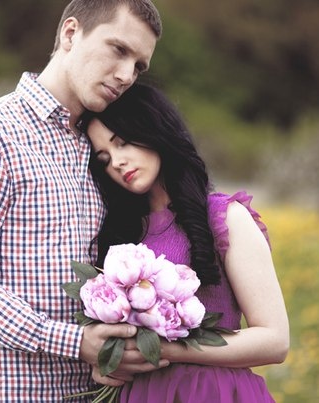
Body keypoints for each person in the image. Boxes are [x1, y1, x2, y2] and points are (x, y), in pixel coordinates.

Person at [0, 1, 164, 401]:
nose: (127, 75)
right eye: (118, 49)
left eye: (139, 66)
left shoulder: (105, 149)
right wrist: (73, 342)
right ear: (71, 33)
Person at [82, 82, 290, 402]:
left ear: (153, 129)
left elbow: (275, 341)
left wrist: (166, 349)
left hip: (213, 393)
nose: (117, 162)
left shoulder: (224, 217)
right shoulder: (119, 237)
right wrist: (107, 364)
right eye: (104, 158)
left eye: (122, 142)